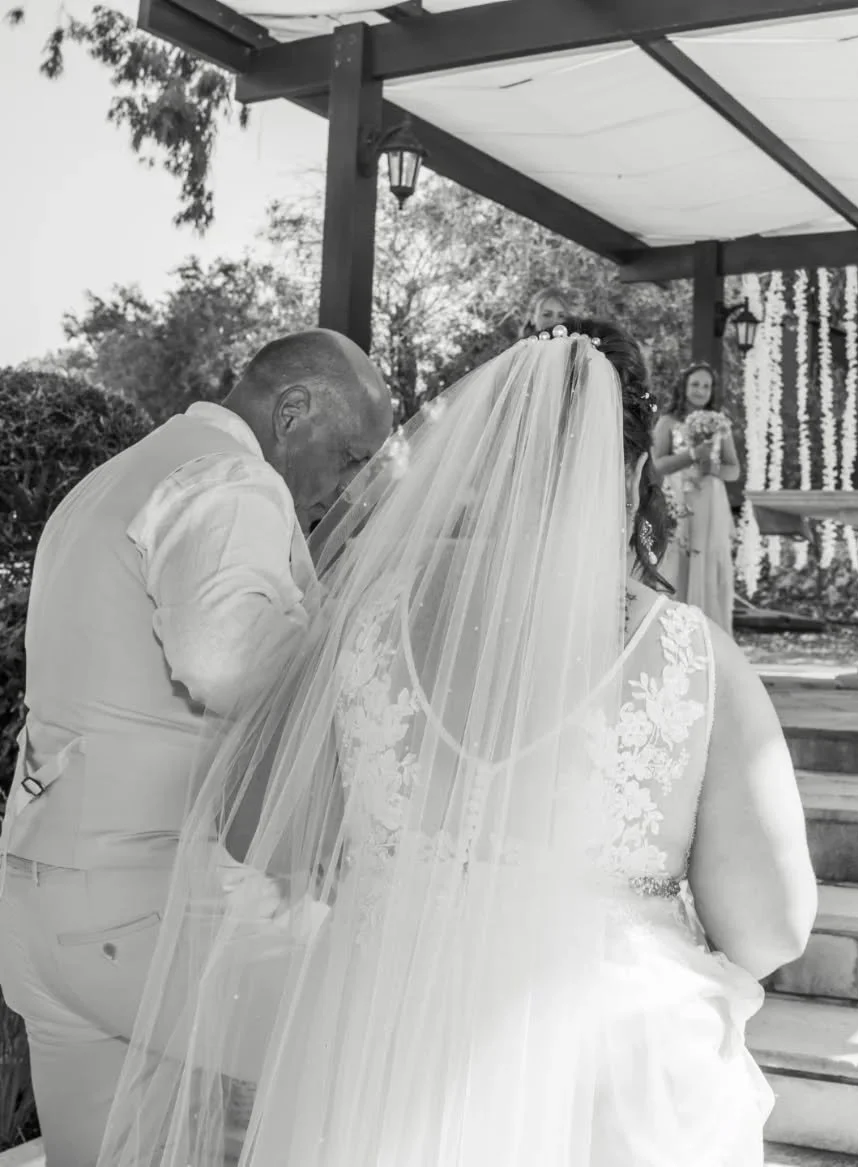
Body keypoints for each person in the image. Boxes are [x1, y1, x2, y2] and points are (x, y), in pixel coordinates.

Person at [98, 320, 816, 1167]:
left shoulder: (362, 626)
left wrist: (406, 878)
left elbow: (260, 825)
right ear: (627, 476)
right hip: (605, 1071)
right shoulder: (694, 657)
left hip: (377, 1043)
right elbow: (771, 927)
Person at [0, 329, 392, 1167]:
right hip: (145, 912)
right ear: (293, 411)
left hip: (42, 905)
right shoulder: (231, 476)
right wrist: (345, 622)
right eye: (352, 455)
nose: (348, 485)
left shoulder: (112, 478)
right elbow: (224, 660)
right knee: (386, 1041)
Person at [653, 363, 741, 633]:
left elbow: (733, 470)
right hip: (678, 497)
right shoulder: (668, 421)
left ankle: (711, 632)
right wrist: (690, 456)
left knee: (708, 559)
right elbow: (657, 464)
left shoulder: (719, 422)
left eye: (706, 385)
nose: (701, 390)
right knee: (676, 558)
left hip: (710, 502)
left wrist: (712, 467)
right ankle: (672, 631)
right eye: (695, 384)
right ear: (684, 386)